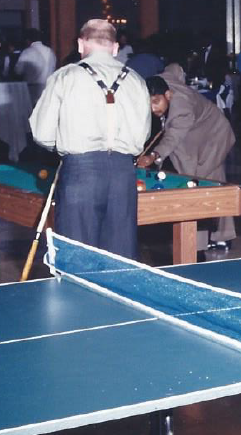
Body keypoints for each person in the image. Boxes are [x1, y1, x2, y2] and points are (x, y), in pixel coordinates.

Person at [29, 19, 151, 258]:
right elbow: (142, 135)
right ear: (115, 48)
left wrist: (67, 144)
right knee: (121, 259)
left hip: (80, 172)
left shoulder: (65, 76)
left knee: (78, 258)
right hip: (123, 173)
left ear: (80, 44)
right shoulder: (136, 80)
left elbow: (41, 132)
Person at [138, 65, 237, 254]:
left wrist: (153, 155)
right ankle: (221, 235)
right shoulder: (160, 81)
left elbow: (172, 137)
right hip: (192, 136)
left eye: (156, 102)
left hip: (213, 135)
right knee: (201, 180)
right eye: (149, 103)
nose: (153, 108)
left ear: (168, 95)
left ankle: (199, 244)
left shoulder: (181, 108)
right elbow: (175, 69)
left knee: (198, 185)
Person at [15, 28, 57, 105]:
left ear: (27, 40)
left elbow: (18, 71)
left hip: (32, 88)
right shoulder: (50, 51)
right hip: (50, 87)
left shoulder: (27, 52)